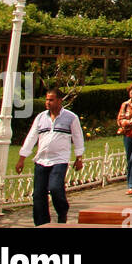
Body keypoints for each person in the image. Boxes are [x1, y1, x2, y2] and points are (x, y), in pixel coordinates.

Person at [15, 88, 84, 226]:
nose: (48, 102)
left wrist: (79, 157)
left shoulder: (71, 117)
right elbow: (31, 137)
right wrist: (22, 158)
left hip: (59, 160)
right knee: (39, 195)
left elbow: (78, 137)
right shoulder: (41, 117)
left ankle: (62, 211)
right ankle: (42, 223)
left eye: (51, 100)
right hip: (41, 160)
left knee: (55, 188)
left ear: (59, 101)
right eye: (47, 99)